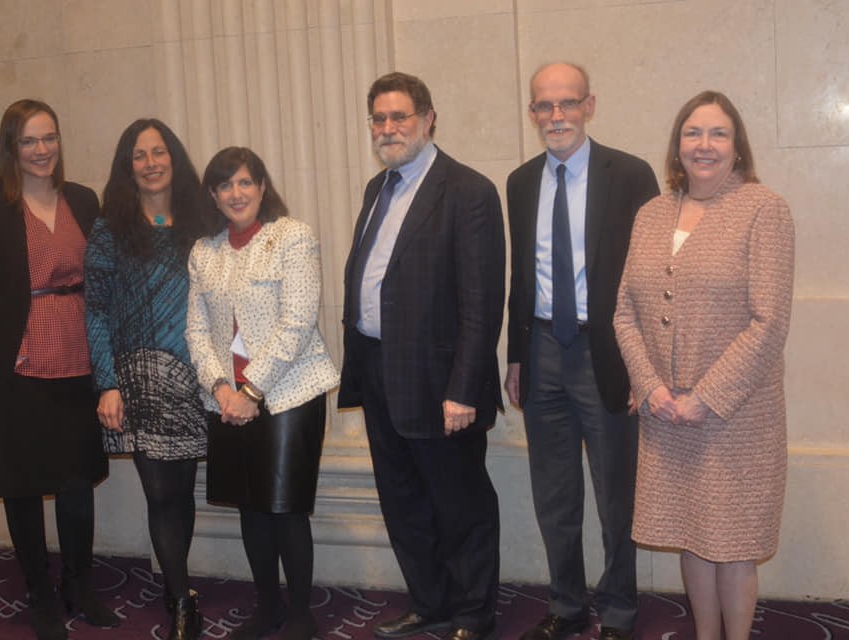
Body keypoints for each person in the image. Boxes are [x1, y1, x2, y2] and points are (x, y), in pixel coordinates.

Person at [613, 91, 794, 640]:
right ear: (678, 145)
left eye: (718, 134)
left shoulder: (765, 210)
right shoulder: (651, 214)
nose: (704, 145)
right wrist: (649, 387)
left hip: (736, 416)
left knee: (733, 544)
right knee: (690, 533)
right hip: (665, 413)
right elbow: (624, 311)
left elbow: (769, 322)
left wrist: (705, 397)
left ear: (737, 147)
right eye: (693, 133)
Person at [338, 72, 505, 640]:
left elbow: (483, 303)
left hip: (441, 386)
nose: (388, 128)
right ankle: (431, 602)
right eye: (379, 119)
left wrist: (463, 388)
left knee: (460, 505)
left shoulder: (468, 191)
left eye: (399, 117)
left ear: (428, 119)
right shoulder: (376, 188)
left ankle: (473, 615)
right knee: (403, 501)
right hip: (379, 371)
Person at [504, 63, 660, 640]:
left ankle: (619, 615)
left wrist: (647, 366)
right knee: (554, 494)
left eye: (567, 103)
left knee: (617, 495)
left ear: (590, 105)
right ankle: (567, 608)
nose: (556, 117)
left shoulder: (631, 175)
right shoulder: (520, 183)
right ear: (531, 114)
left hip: (609, 351)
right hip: (542, 346)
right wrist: (516, 354)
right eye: (544, 106)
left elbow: (648, 277)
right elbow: (523, 277)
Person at [0, 99, 119, 640]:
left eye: (49, 138)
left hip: (78, 360)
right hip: (16, 370)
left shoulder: (82, 199)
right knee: (25, 484)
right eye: (29, 141)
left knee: (76, 481)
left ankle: (79, 583)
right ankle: (40, 593)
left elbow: (102, 275)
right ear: (11, 147)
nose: (42, 149)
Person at [185, 146, 339, 640]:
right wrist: (221, 387)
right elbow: (196, 331)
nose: (236, 193)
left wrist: (251, 390)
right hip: (225, 400)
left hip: (289, 395)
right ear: (213, 194)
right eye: (225, 185)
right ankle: (267, 607)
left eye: (245, 182)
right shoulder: (202, 252)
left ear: (263, 186)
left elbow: (297, 322)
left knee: (285, 507)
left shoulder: (292, 237)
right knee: (250, 507)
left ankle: (299, 615)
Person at [84, 119, 211, 640]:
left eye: (159, 152)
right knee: (159, 490)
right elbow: (94, 309)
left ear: (174, 159)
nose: (151, 162)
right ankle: (182, 601)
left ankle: (175, 581)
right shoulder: (108, 227)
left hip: (193, 375)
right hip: (135, 378)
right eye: (139, 155)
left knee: (181, 489)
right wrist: (106, 382)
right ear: (126, 166)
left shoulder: (202, 220)